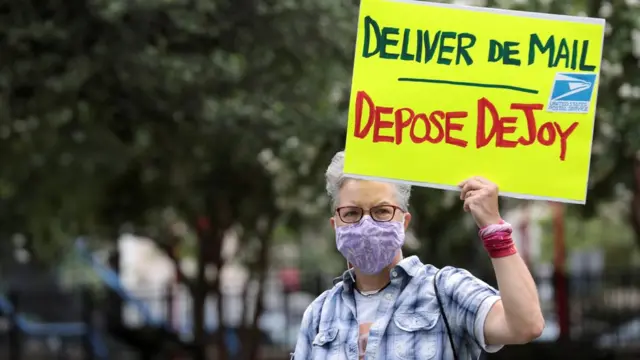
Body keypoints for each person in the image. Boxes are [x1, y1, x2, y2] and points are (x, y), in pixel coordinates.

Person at [292, 151, 544, 359]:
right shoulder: (319, 313)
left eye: (381, 211)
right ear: (335, 224)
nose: (366, 224)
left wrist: (494, 229)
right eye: (351, 213)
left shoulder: (446, 292)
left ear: (404, 221)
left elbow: (525, 326)